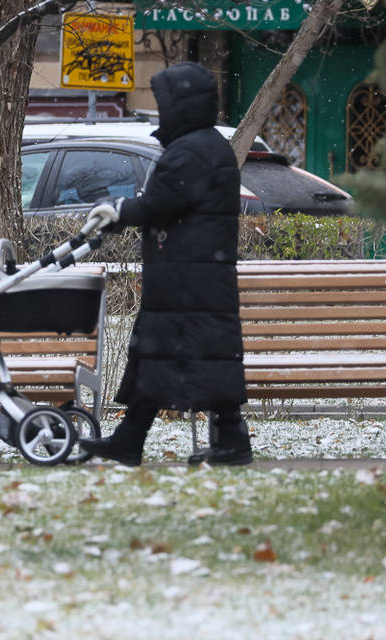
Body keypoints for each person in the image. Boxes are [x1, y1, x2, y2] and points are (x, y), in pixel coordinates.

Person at [80, 61, 251, 467]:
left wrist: (117, 210)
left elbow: (161, 204)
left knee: (181, 353)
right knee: (162, 356)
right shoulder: (203, 145)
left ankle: (229, 443)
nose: (160, 111)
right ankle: (132, 440)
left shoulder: (194, 150)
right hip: (191, 274)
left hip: (189, 278)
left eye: (164, 103)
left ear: (182, 105)